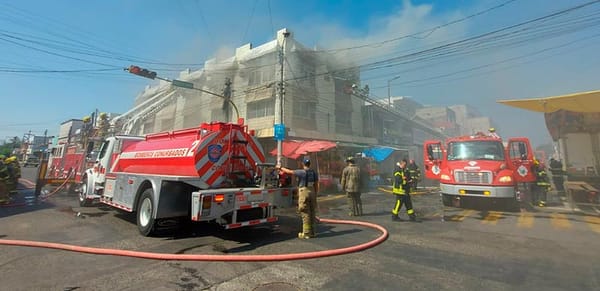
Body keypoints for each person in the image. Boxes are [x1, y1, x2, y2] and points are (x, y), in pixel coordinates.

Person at [278, 158, 319, 239]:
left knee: (305, 212)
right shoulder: (314, 172)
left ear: (303, 164)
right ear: (309, 164)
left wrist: (280, 168)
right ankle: (313, 232)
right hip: (312, 192)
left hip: (304, 191)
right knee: (312, 212)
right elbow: (317, 184)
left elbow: (289, 172)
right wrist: (315, 194)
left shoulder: (301, 172)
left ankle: (306, 233)